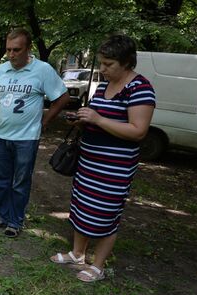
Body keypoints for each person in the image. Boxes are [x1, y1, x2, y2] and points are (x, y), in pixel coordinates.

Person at [49, 35, 156, 282]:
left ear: (127, 62)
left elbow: (138, 131)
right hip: (88, 162)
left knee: (105, 213)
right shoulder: (104, 86)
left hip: (114, 168)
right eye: (102, 63)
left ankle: (98, 265)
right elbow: (99, 119)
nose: (103, 69)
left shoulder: (140, 88)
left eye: (109, 64)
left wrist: (98, 120)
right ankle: (77, 254)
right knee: (82, 207)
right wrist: (83, 120)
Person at [0, 28, 70, 238]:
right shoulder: (0, 71)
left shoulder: (42, 70)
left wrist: (45, 120)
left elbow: (62, 97)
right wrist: (1, 118)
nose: (11, 55)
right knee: (0, 179)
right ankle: (3, 217)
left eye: (16, 50)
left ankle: (16, 221)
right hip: (2, 136)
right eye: (8, 50)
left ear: (28, 49)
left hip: (27, 138)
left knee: (20, 181)